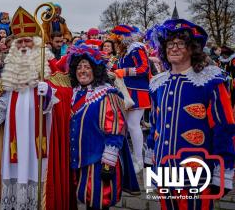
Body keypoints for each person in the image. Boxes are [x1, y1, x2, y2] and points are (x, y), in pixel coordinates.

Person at [145, 19, 235, 209]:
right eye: (170, 43)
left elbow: (224, 127)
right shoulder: (158, 83)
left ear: (192, 48)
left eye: (181, 43)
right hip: (164, 168)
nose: (174, 48)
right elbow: (154, 124)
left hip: (197, 172)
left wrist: (223, 173)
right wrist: (149, 159)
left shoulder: (210, 81)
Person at [0, 7, 59, 209]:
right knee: (14, 168)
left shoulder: (50, 67)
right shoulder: (10, 68)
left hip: (40, 134)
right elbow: (5, 99)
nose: (23, 44)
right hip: (13, 137)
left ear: (36, 43)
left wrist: (49, 92)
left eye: (28, 40)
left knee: (37, 169)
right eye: (19, 41)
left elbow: (64, 101)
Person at [68, 44, 140, 209]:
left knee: (98, 202)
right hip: (79, 160)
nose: (83, 70)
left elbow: (115, 130)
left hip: (98, 160)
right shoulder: (74, 93)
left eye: (87, 67)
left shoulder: (107, 94)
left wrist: (108, 163)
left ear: (96, 70)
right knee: (85, 199)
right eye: (79, 67)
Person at [111, 25, 151, 173]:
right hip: (126, 91)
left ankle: (139, 160)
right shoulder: (125, 52)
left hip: (138, 91)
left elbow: (144, 68)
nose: (115, 42)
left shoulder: (136, 49)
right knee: (127, 125)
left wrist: (124, 71)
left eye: (117, 39)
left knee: (133, 125)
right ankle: (130, 157)